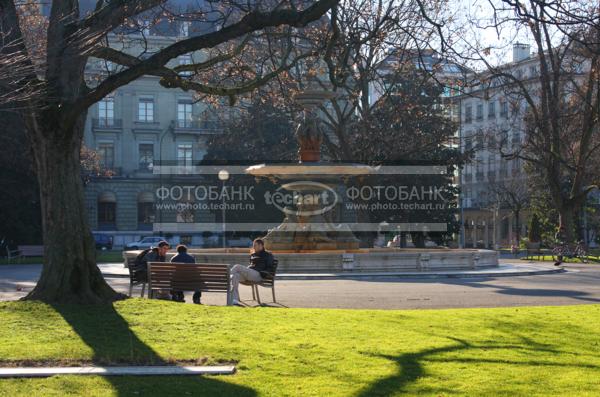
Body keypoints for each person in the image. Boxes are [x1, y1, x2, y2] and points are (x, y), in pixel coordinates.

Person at [230, 238, 275, 306]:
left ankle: (226, 278)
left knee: (237, 266)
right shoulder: (253, 255)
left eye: (255, 245)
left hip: (259, 275)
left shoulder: (268, 255)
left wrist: (265, 273)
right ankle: (234, 300)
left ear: (261, 246)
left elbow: (270, 267)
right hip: (251, 274)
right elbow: (251, 266)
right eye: (253, 245)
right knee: (235, 276)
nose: (253, 247)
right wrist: (248, 268)